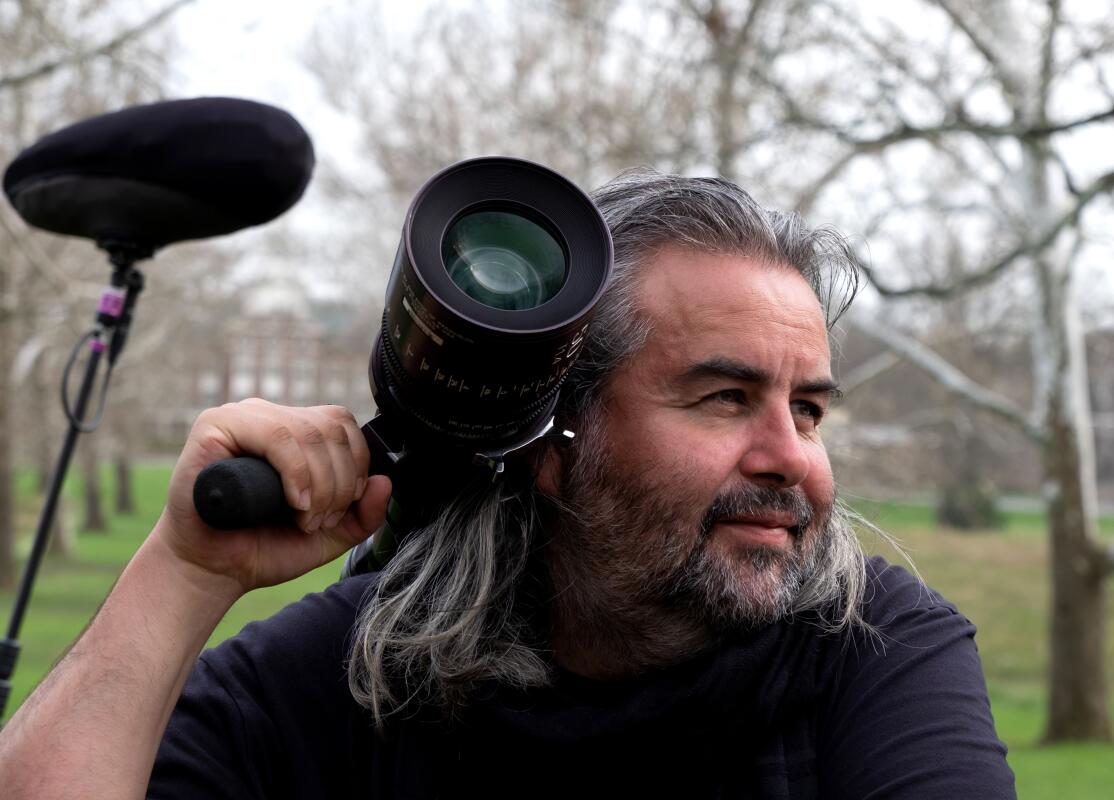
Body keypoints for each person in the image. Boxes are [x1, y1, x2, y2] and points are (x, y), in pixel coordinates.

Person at [0, 170, 1016, 798]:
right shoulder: (352, 675)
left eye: (807, 409)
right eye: (721, 397)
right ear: (548, 435)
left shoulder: (876, 646)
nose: (790, 455)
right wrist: (182, 570)